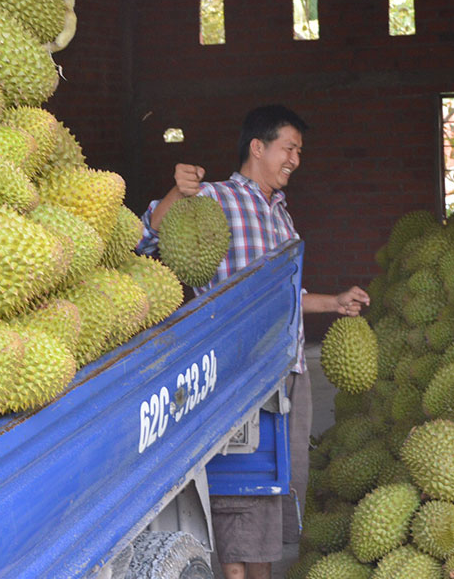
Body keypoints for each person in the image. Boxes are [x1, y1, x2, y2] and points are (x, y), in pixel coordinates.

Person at [137, 104, 370, 579]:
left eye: (299, 151)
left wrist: (335, 302)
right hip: (236, 373)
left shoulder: (281, 215)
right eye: (290, 148)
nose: (295, 160)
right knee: (238, 492)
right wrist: (175, 194)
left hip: (287, 371)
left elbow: (285, 293)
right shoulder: (215, 199)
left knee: (274, 490)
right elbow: (146, 237)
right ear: (257, 148)